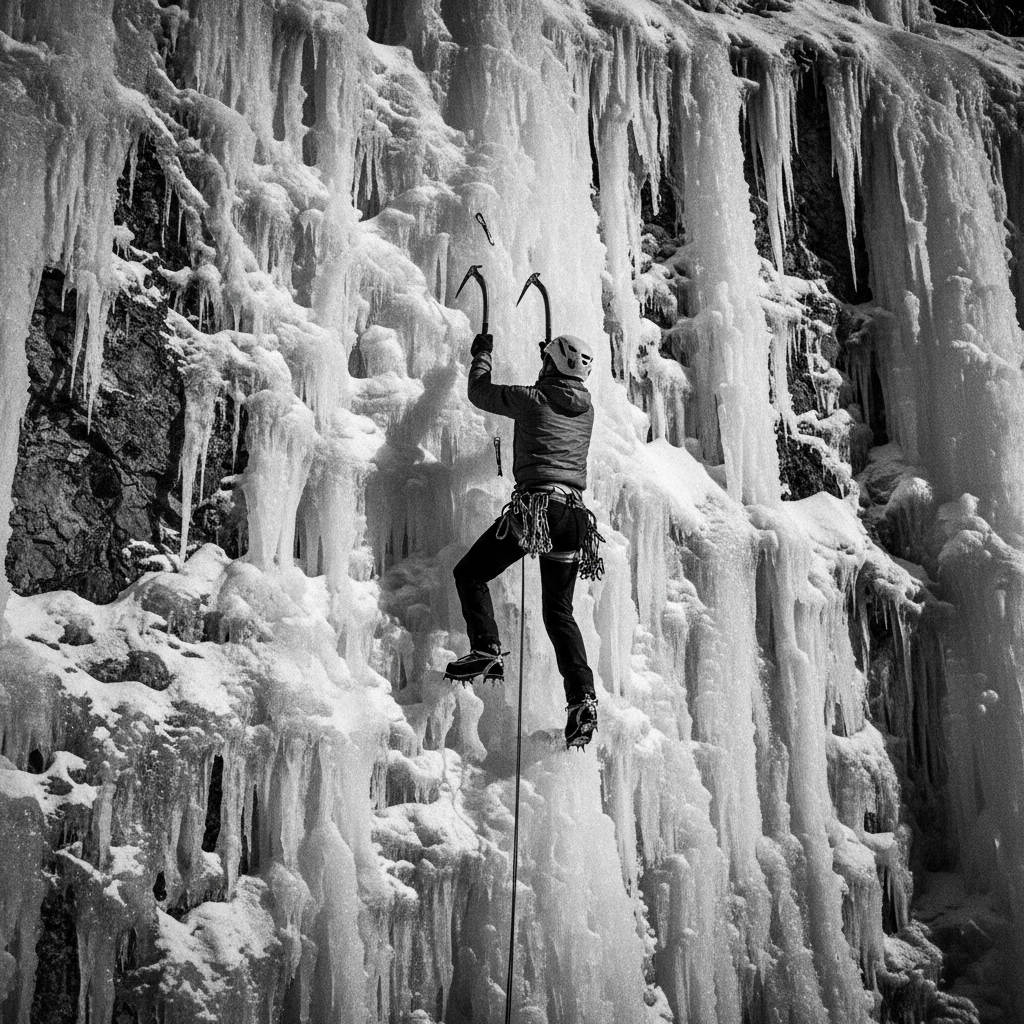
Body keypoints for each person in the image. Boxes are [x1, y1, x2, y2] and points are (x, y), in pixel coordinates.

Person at [446, 331, 604, 749]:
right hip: (574, 517)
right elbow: (560, 392)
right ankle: (582, 699)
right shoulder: (586, 410)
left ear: (551, 365)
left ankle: (486, 647)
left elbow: (480, 392)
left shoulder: (532, 398)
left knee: (471, 573)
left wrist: (482, 353)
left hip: (539, 510)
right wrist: (549, 358)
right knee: (559, 612)